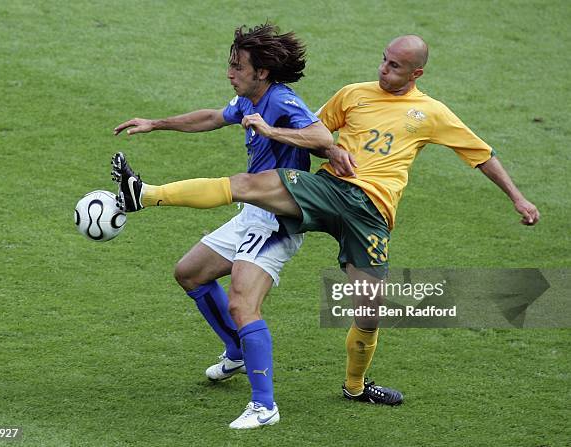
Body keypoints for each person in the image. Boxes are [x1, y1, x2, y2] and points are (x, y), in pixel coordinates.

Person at [112, 34, 539, 414]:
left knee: (369, 310)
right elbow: (315, 134)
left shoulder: (431, 113)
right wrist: (330, 152)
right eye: (383, 59)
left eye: (394, 65)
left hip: (371, 211)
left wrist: (518, 198)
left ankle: (355, 386)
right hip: (330, 189)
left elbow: (480, 153)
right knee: (241, 197)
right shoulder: (353, 94)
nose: (384, 69)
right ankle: (146, 195)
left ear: (416, 72)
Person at [113, 24, 333, 429]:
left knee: (242, 304)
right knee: (190, 274)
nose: (230, 73)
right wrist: (156, 123)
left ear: (262, 72)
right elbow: (213, 117)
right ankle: (235, 349)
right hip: (253, 212)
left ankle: (265, 406)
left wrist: (272, 130)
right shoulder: (249, 98)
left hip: (279, 219)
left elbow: (323, 137)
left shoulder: (282, 101)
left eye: (238, 67)